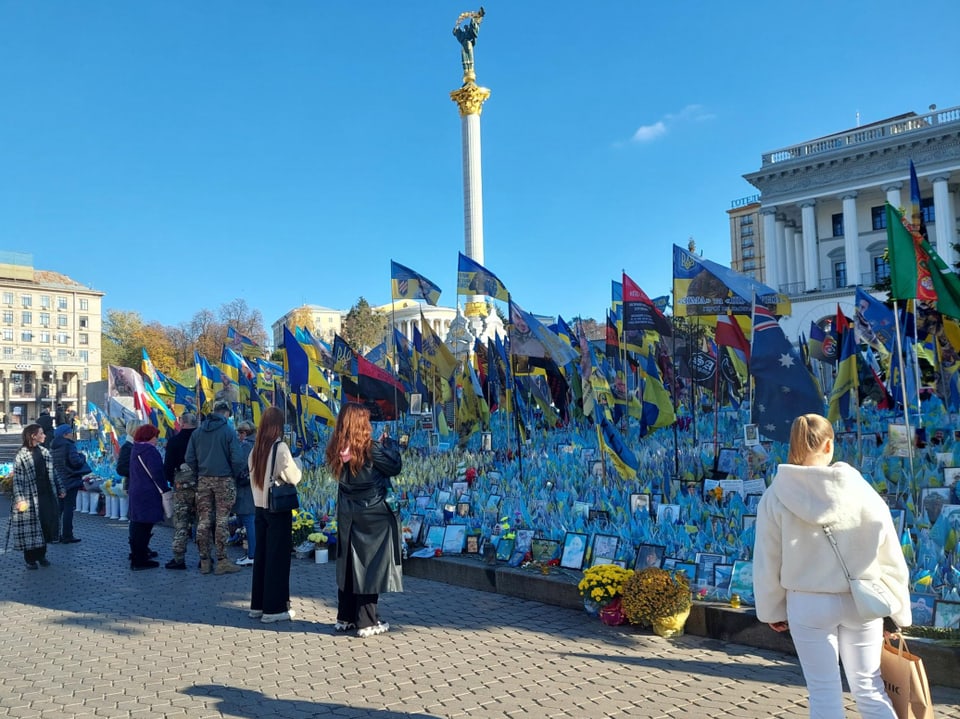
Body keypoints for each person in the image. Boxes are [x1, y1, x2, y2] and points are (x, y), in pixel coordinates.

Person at [753, 413, 911, 719]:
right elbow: (888, 550)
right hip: (861, 599)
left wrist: (772, 609)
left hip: (807, 602)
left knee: (823, 692)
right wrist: (898, 610)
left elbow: (767, 559)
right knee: (869, 686)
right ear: (829, 445)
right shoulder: (860, 489)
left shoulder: (775, 496)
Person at [326, 403, 403, 638]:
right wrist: (390, 445)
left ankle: (345, 616)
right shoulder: (370, 448)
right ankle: (367, 620)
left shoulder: (338, 447)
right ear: (361, 424)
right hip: (374, 515)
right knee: (370, 567)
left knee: (349, 564)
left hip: (349, 514)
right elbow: (394, 467)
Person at [248, 407, 302, 623]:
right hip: (277, 510)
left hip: (259, 508)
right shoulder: (280, 448)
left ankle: (258, 605)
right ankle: (274, 608)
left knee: (261, 557)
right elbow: (293, 476)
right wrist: (298, 463)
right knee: (277, 559)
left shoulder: (256, 449)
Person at [186, 400, 244, 575]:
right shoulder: (228, 431)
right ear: (226, 413)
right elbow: (238, 459)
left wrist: (200, 472)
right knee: (221, 520)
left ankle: (204, 560)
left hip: (203, 480)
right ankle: (222, 560)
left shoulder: (197, 432)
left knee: (203, 520)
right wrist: (232, 474)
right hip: (224, 479)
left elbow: (189, 458)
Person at [10, 424, 64, 569]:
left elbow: (53, 472)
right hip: (29, 496)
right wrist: (20, 499)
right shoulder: (22, 455)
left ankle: (42, 555)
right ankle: (30, 559)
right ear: (33, 436)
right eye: (41, 433)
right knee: (30, 527)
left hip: (46, 494)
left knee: (45, 524)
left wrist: (60, 488)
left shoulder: (45, 451)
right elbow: (18, 480)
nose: (45, 435)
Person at [127, 424, 167, 570]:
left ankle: (138, 556)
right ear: (149, 437)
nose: (157, 440)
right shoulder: (150, 451)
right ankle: (140, 560)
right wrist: (165, 488)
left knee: (138, 526)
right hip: (148, 494)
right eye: (155, 437)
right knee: (144, 527)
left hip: (136, 491)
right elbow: (157, 473)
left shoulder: (135, 449)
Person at [162, 412, 198, 570]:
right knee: (203, 522)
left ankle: (178, 558)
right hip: (200, 485)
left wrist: (172, 480)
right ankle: (205, 557)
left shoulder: (174, 441)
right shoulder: (201, 439)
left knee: (181, 523)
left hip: (181, 486)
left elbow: (168, 466)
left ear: (182, 423)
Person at [51, 424, 91, 544]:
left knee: (59, 509)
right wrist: (82, 457)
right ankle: (67, 535)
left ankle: (54, 534)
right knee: (69, 508)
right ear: (65, 434)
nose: (72, 434)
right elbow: (76, 462)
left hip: (59, 480)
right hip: (70, 480)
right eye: (70, 432)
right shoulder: (69, 446)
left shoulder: (53, 446)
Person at [232, 420, 256, 567]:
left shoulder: (246, 446)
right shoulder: (259, 444)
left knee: (249, 521)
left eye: (239, 433)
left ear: (244, 433)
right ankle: (252, 553)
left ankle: (252, 554)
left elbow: (240, 466)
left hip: (246, 489)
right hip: (256, 488)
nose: (238, 436)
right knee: (252, 521)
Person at [452, 8, 484, 80]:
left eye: (467, 27)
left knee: (469, 56)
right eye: (465, 27)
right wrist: (457, 27)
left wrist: (474, 18)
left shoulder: (470, 33)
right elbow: (457, 33)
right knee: (465, 56)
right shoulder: (463, 35)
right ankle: (466, 70)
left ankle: (470, 69)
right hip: (464, 44)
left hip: (468, 43)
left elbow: (473, 26)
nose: (465, 27)